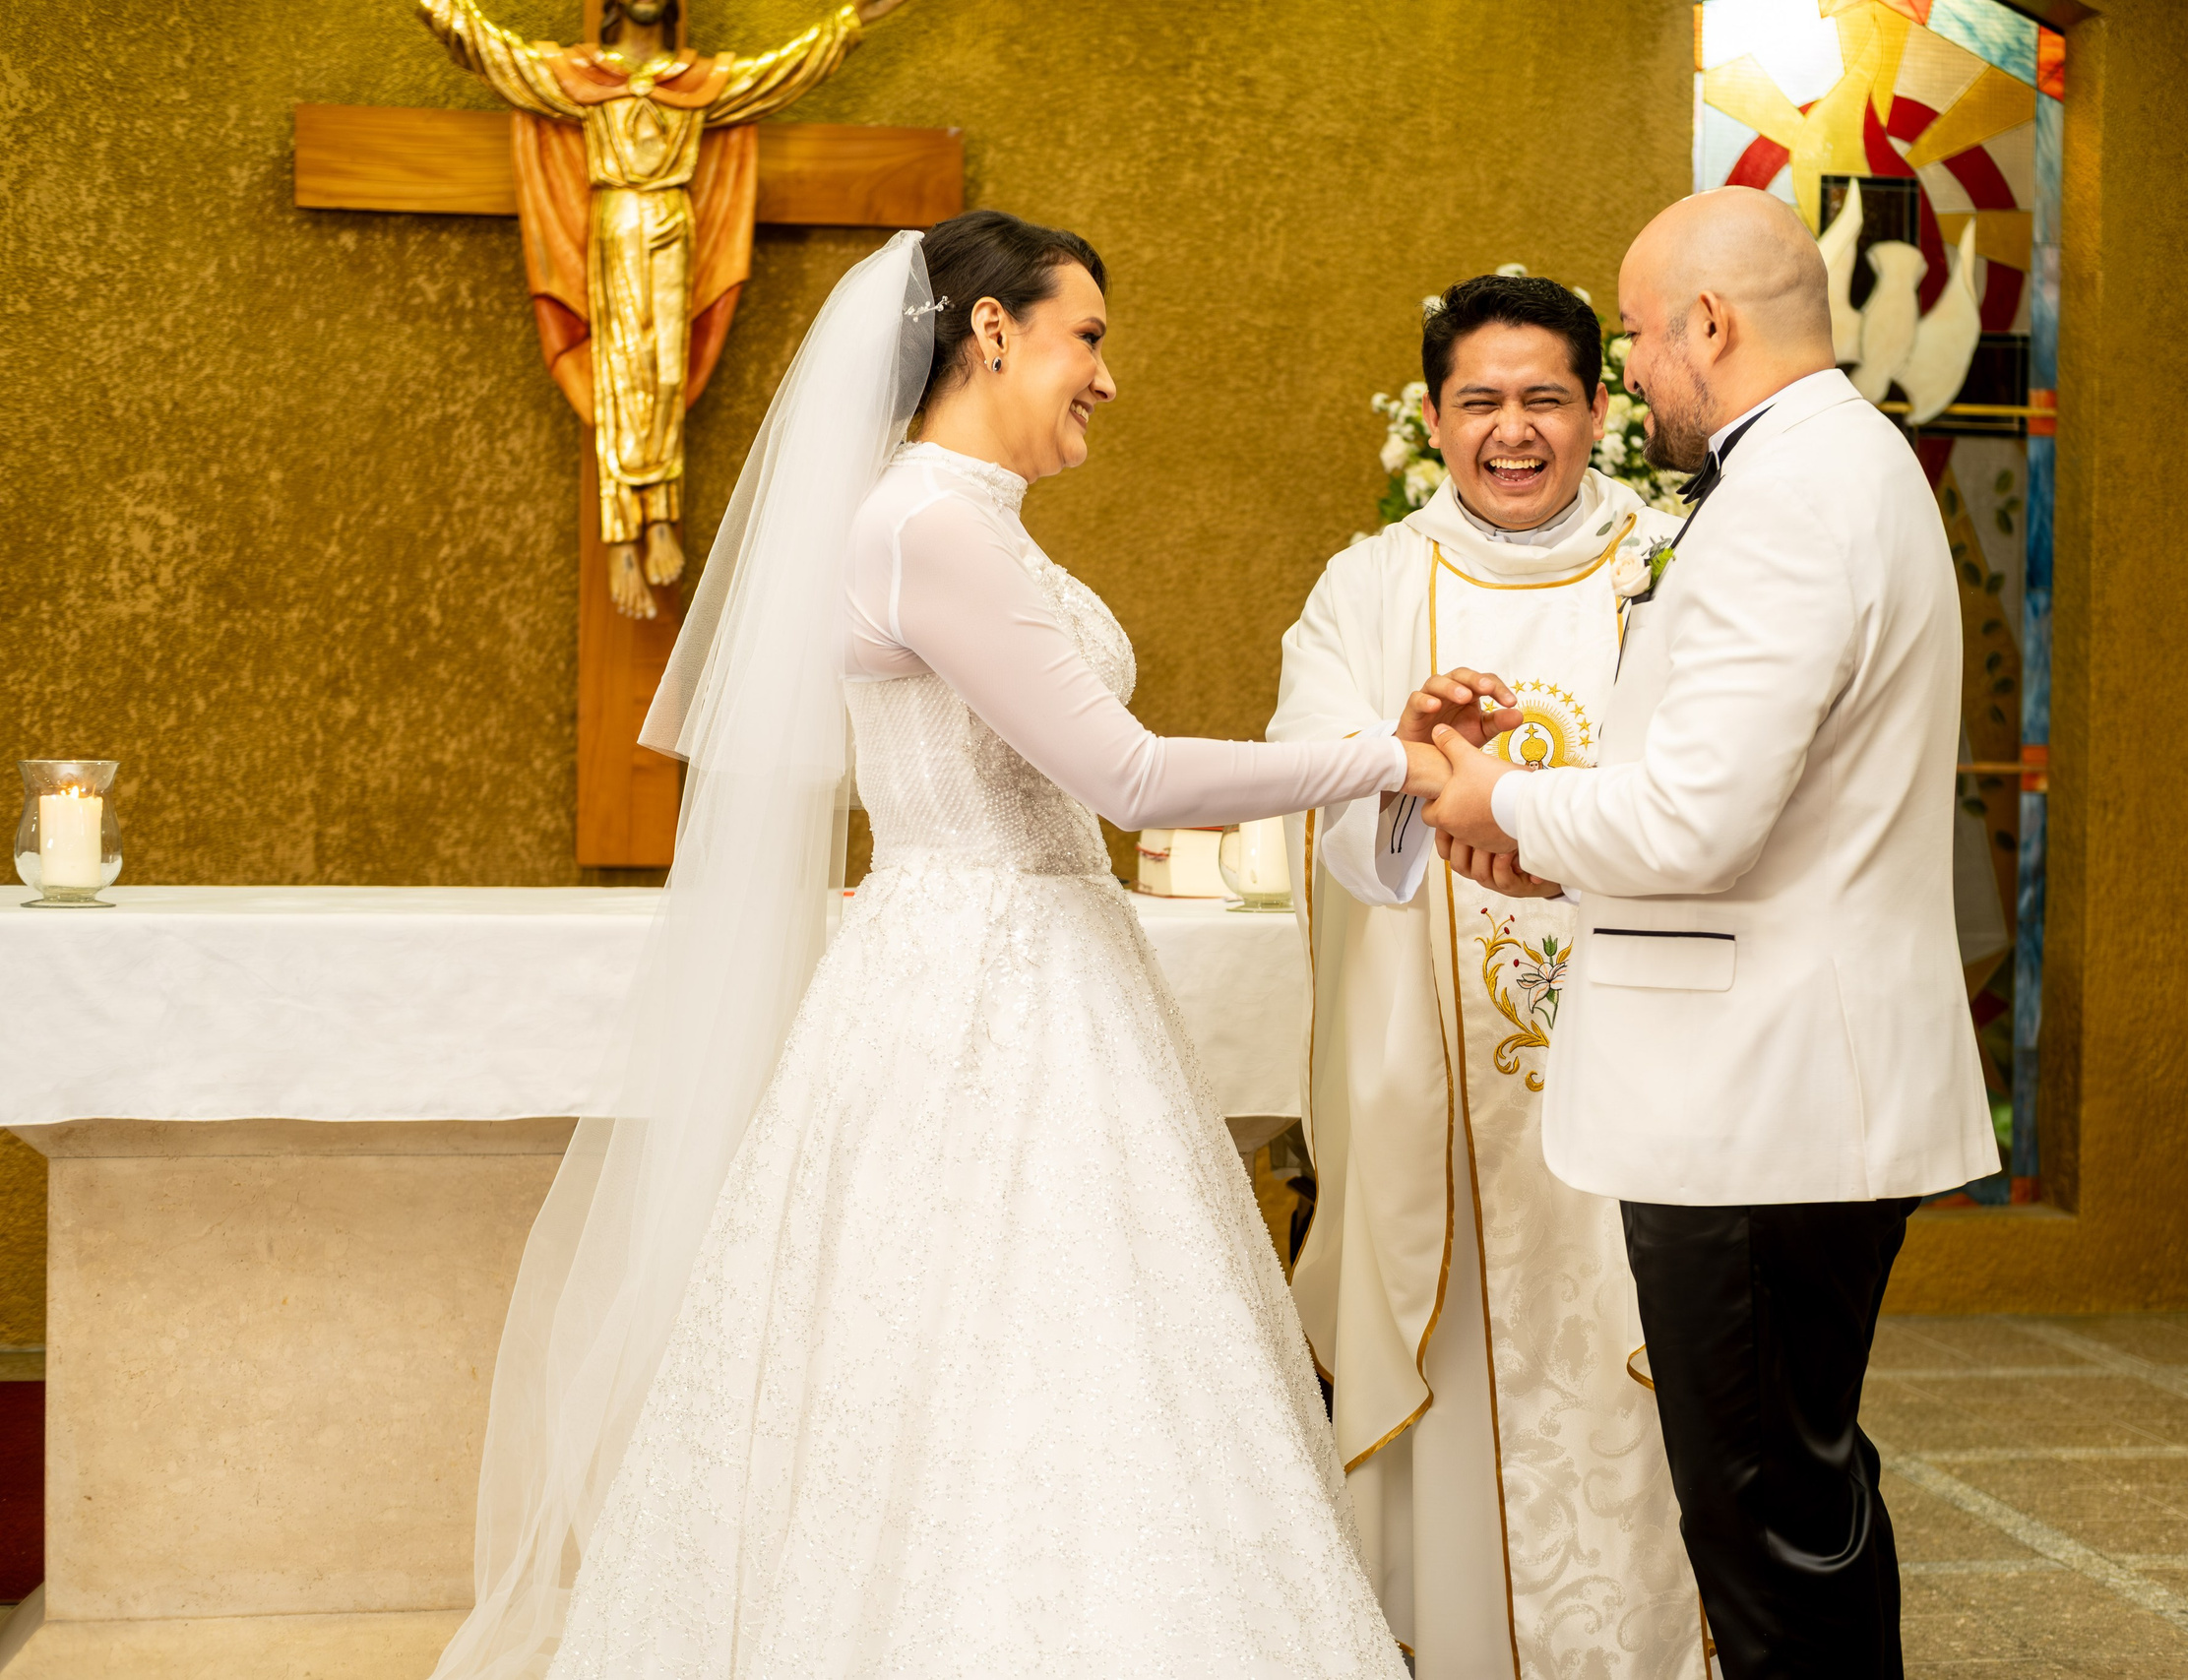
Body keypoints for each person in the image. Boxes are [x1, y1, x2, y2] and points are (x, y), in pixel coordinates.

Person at [430, 212, 1469, 1680]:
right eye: (1087, 337)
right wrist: (1378, 760)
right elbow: (1128, 779)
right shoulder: (924, 525)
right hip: (979, 996)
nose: (1106, 376)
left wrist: (1375, 760)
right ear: (995, 333)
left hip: (1033, 970)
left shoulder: (966, 522)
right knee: (983, 1368)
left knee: (1066, 1374)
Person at [1418, 188, 2001, 1678]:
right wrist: (1566, 861)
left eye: (1633, 338)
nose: (1635, 375)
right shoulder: (1837, 468)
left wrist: (1511, 796)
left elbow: (1698, 818)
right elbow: (1751, 809)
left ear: (1713, 326)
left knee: (1762, 1522)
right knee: (1804, 1496)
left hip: (1758, 1093)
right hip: (1786, 1071)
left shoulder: (1794, 496)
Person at [1268, 274, 1712, 1678]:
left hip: (1651, 1081)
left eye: (1542, 400)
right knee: (1455, 1383)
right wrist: (1395, 761)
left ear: (1598, 408)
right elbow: (1312, 802)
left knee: (1651, 1384)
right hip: (1439, 1109)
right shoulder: (1370, 587)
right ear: (1435, 417)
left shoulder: (1681, 568)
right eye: (1480, 403)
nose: (1511, 433)